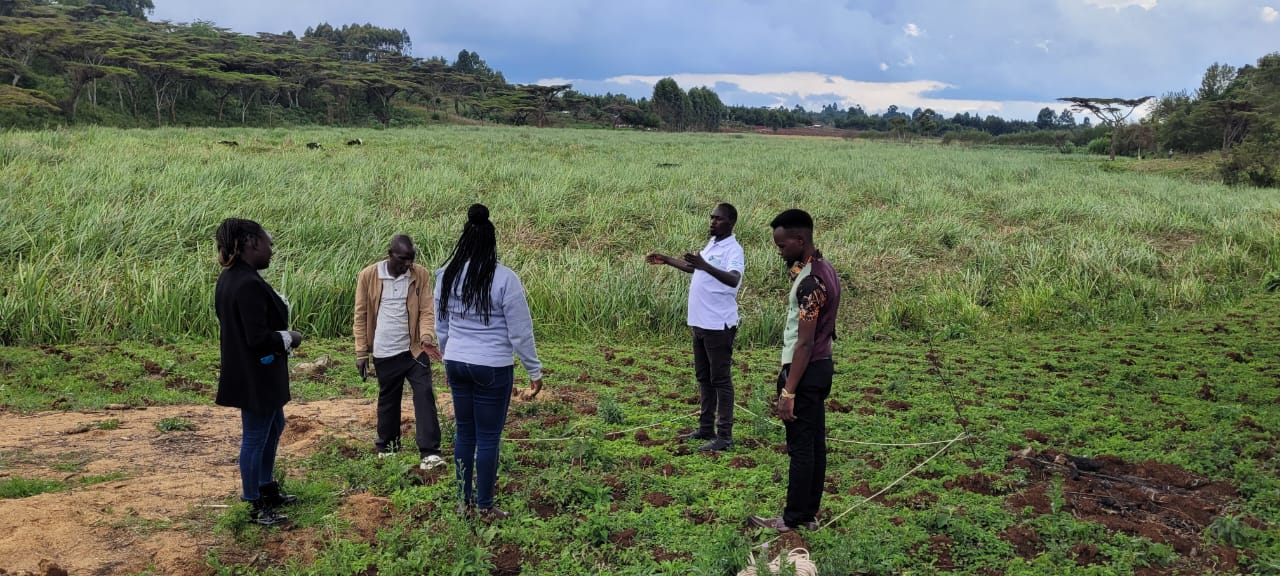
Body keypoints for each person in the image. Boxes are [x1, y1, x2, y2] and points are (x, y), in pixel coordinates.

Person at [435, 204, 544, 522]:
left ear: (464, 240)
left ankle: (462, 502)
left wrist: (447, 360)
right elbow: (520, 333)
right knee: (488, 438)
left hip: (456, 360)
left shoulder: (446, 275)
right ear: (491, 242)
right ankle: (484, 506)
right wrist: (534, 371)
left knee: (464, 434)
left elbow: (442, 326)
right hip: (492, 366)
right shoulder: (505, 279)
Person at [749, 209, 842, 533]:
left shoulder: (810, 284)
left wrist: (788, 390)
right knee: (814, 444)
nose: (779, 251)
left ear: (799, 241)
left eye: (782, 245)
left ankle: (792, 519)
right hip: (821, 366)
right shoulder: (824, 268)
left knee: (802, 448)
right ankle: (808, 514)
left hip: (805, 368)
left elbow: (804, 343)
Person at [214, 218, 302, 527]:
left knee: (274, 425)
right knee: (254, 436)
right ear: (252, 243)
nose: (271, 250)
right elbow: (256, 337)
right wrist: (290, 337)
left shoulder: (231, 278)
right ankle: (253, 504)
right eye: (269, 244)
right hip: (256, 375)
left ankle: (266, 489)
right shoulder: (247, 283)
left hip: (252, 372)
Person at [646, 203, 745, 452]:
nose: (712, 222)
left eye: (718, 219)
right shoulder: (713, 244)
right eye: (711, 218)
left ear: (731, 222)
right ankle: (705, 428)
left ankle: (724, 437)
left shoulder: (734, 249)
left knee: (720, 379)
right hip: (700, 322)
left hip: (718, 324)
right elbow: (695, 268)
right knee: (703, 377)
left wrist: (705, 266)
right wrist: (667, 260)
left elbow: (734, 279)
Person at [354, 234, 446, 470]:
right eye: (403, 259)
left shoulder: (419, 274)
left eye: (411, 260)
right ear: (390, 254)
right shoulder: (369, 276)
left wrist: (426, 337)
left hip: (414, 350)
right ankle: (388, 446)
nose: (407, 264)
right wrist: (361, 352)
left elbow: (427, 310)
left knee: (424, 394)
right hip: (385, 350)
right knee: (388, 398)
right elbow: (361, 316)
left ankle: (429, 452)